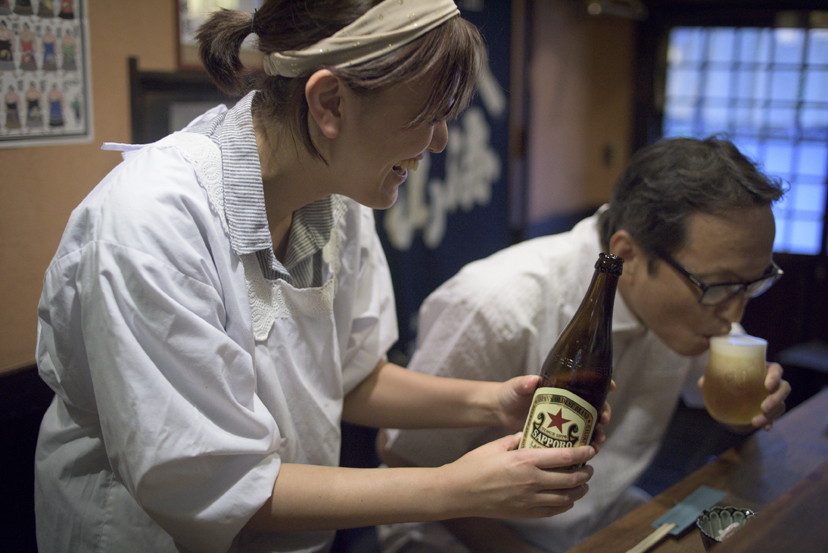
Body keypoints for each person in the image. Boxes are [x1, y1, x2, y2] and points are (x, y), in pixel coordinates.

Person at [33, 2, 611, 553]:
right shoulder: (151, 221)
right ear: (330, 102)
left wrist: (493, 403)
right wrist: (457, 488)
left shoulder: (336, 196)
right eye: (427, 114)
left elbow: (352, 376)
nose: (438, 140)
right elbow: (211, 484)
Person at [376, 136, 792, 553]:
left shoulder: (700, 301)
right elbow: (405, 452)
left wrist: (754, 408)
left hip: (598, 512)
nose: (734, 313)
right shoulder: (498, 306)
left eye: (753, 284)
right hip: (456, 534)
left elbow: (722, 400)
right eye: (721, 286)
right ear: (626, 255)